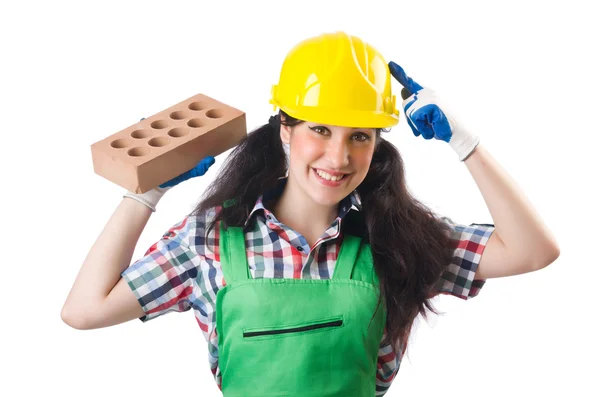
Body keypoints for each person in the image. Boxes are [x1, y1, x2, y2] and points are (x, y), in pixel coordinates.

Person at [61, 31, 560, 396]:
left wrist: (464, 142)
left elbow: (533, 251)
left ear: (377, 143)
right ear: (285, 127)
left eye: (359, 136)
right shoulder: (210, 240)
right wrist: (143, 197)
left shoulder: (401, 242)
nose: (338, 158)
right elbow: (84, 311)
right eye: (320, 129)